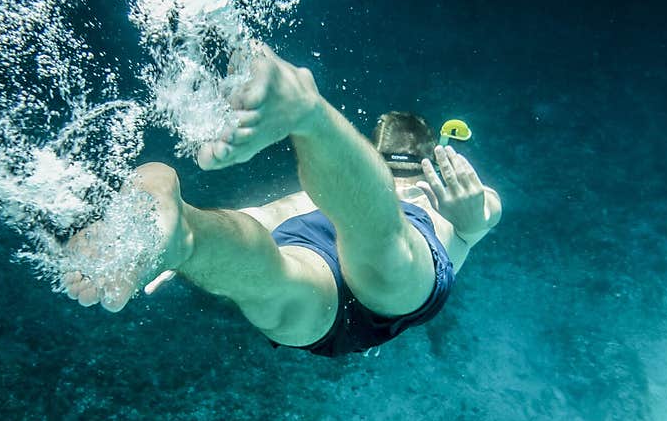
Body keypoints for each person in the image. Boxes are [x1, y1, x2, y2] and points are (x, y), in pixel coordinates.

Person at [62, 44, 501, 357]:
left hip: (314, 238)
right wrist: (470, 217)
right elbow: (482, 214)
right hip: (377, 270)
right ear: (428, 160)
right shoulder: (445, 194)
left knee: (270, 275)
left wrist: (167, 248)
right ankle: (308, 115)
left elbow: (268, 214)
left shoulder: (336, 188)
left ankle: (187, 234)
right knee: (383, 252)